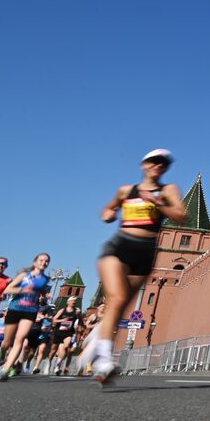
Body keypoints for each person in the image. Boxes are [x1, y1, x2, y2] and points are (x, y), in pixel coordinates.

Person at [90, 150, 186, 384]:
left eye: (163, 163)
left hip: (145, 250)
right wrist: (108, 214)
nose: (158, 166)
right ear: (144, 164)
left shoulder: (168, 190)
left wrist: (157, 201)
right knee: (117, 298)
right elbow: (109, 208)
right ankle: (103, 360)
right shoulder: (126, 190)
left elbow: (181, 216)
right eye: (154, 161)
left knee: (120, 306)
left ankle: (97, 340)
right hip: (120, 245)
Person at [0, 253, 52, 381]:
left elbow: (40, 290)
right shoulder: (24, 275)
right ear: (35, 262)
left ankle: (6, 369)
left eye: (46, 261)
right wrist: (23, 290)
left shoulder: (45, 279)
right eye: (41, 260)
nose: (44, 262)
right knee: (7, 341)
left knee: (20, 339)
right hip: (15, 308)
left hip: (31, 310)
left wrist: (45, 295)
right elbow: (8, 289)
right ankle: (2, 351)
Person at [49, 296, 82, 376]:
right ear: (68, 302)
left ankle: (58, 366)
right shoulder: (62, 310)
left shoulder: (76, 311)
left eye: (75, 301)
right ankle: (49, 362)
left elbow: (80, 320)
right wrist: (62, 320)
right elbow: (54, 319)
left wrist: (79, 317)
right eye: (72, 301)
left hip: (69, 332)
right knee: (53, 349)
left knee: (66, 346)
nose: (74, 302)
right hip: (59, 332)